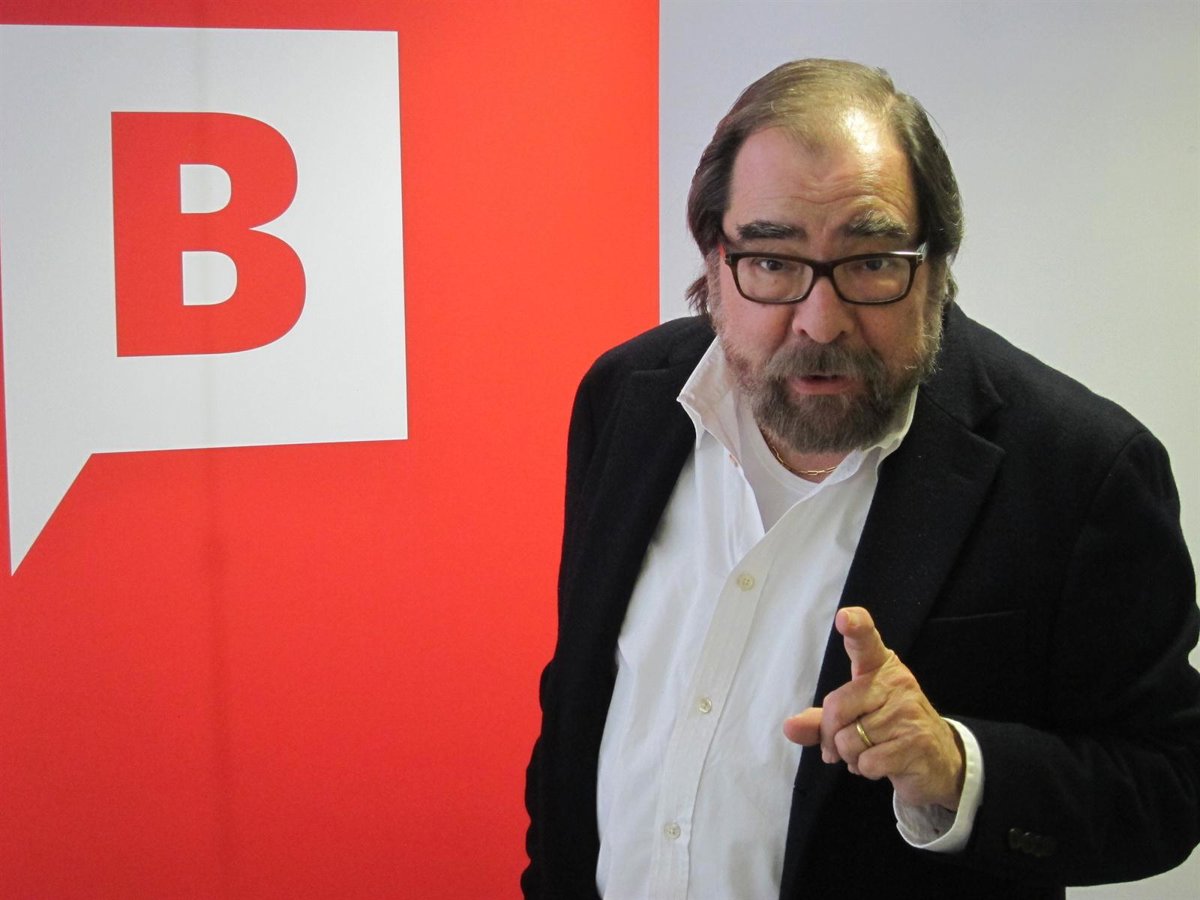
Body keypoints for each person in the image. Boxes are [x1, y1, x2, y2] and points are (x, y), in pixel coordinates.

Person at [522, 59, 1200, 899]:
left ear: (936, 266)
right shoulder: (626, 400)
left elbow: (1169, 783)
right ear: (715, 259)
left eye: (872, 261)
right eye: (773, 261)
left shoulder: (1079, 470)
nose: (820, 319)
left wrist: (957, 767)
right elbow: (582, 704)